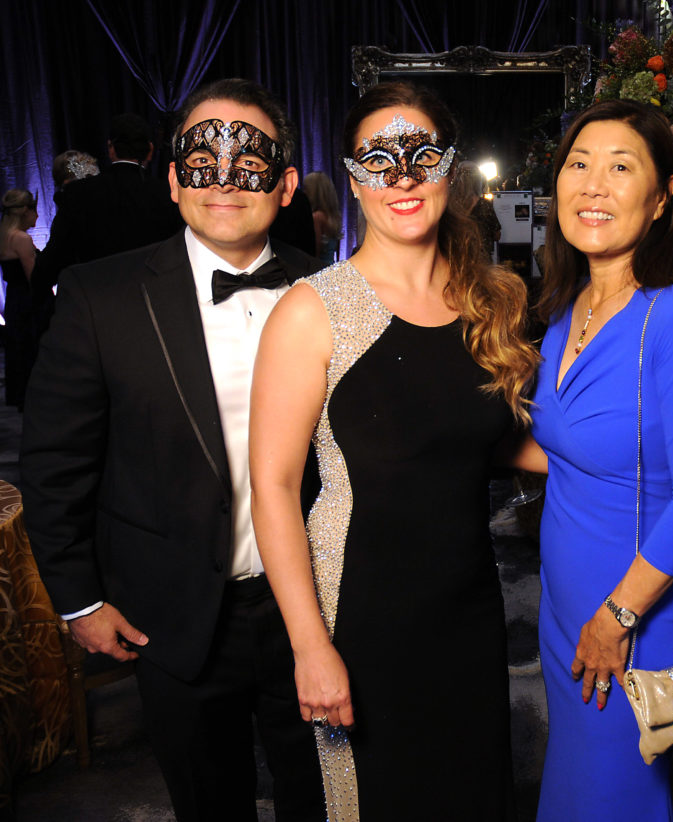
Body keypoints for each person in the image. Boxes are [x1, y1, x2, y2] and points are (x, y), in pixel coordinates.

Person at [20, 78, 325, 821]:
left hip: (316, 606)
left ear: (285, 185)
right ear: (171, 178)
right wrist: (80, 599)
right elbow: (55, 462)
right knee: (208, 804)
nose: (223, 182)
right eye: (202, 160)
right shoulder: (101, 295)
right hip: (171, 614)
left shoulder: (332, 289)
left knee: (323, 798)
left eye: (247, 164)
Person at [249, 81, 537, 820]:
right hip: (359, 611)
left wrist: (635, 462)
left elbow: (498, 443)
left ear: (450, 169)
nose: (401, 178)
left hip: (468, 609)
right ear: (352, 178)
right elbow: (275, 487)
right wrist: (310, 648)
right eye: (378, 161)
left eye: (421, 156)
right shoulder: (313, 310)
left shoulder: (491, 302)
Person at [526, 99, 673, 821]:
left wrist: (615, 617)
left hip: (635, 619)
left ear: (663, 196)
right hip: (563, 606)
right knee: (575, 789)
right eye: (578, 165)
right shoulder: (565, 306)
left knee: (617, 801)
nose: (593, 184)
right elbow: (566, 448)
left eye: (621, 168)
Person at [33, 113, 182, 293]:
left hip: (96, 303)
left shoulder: (78, 194)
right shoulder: (169, 195)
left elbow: (53, 260)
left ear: (110, 148)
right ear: (150, 150)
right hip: (157, 301)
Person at [0, 189, 39, 409]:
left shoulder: (4, 236)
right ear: (25, 211)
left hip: (13, 300)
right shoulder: (21, 239)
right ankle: (30, 397)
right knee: (29, 348)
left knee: (17, 349)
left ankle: (18, 394)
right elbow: (33, 277)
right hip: (28, 300)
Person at [303, 171, 341, 264]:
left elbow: (315, 251)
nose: (303, 192)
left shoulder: (317, 217)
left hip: (319, 269)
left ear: (314, 192)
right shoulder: (333, 217)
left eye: (306, 189)